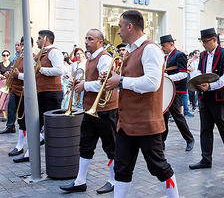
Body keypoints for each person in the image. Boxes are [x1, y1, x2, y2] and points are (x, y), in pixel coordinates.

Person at [104, 10, 179, 198]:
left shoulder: (150, 49)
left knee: (158, 167)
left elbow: (152, 83)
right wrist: (113, 82)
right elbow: (131, 83)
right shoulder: (130, 50)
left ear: (130, 26)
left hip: (146, 123)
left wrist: (120, 81)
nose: (118, 31)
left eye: (120, 26)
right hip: (126, 122)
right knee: (121, 167)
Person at [60, 29, 118, 194]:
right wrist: (79, 82)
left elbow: (104, 83)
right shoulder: (90, 59)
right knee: (85, 145)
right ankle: (80, 181)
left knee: (111, 146)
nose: (86, 41)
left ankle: (113, 180)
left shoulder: (105, 58)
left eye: (90, 39)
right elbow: (94, 80)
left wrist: (83, 85)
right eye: (86, 38)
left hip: (106, 109)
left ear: (100, 42)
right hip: (90, 107)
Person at [189, 28, 224, 170]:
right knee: (205, 129)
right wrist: (197, 79)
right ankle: (206, 159)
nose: (203, 45)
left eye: (206, 41)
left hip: (218, 95)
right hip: (204, 96)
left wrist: (211, 86)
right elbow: (199, 70)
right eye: (202, 42)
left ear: (214, 40)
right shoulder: (203, 55)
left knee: (222, 126)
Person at [13, 30, 64, 163]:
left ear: (46, 39)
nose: (37, 41)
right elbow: (33, 75)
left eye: (39, 38)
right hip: (41, 93)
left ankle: (55, 155)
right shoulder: (41, 54)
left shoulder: (54, 52)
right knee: (36, 124)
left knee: (50, 125)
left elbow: (59, 70)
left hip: (52, 93)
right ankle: (30, 153)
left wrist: (41, 69)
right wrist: (19, 75)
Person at [6, 37, 42, 158]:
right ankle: (21, 145)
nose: (21, 47)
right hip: (16, 91)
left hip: (24, 92)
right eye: (21, 44)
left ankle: (22, 146)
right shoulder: (19, 57)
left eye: (24, 44)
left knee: (24, 121)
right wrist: (10, 73)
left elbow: (33, 76)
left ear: (30, 45)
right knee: (20, 120)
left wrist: (18, 75)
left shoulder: (32, 57)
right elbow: (15, 72)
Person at [160, 34, 195, 151]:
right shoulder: (166, 57)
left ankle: (189, 139)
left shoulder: (179, 55)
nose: (162, 48)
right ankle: (162, 142)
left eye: (164, 46)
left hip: (176, 90)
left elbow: (184, 74)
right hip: (166, 90)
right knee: (163, 116)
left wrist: (168, 77)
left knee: (177, 116)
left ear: (171, 44)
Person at [0, 41, 22, 134]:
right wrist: (10, 73)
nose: (16, 47)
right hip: (14, 85)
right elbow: (13, 69)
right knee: (11, 106)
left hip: (21, 86)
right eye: (15, 45)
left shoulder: (28, 56)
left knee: (21, 110)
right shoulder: (15, 58)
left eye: (18, 45)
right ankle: (10, 126)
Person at [0, 50, 12, 118]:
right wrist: (1, 76)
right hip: (2, 83)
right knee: (2, 98)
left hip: (9, 82)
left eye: (7, 55)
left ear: (9, 56)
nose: (5, 56)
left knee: (9, 98)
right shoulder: (0, 64)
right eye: (4, 55)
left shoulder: (11, 64)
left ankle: (9, 114)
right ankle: (4, 115)